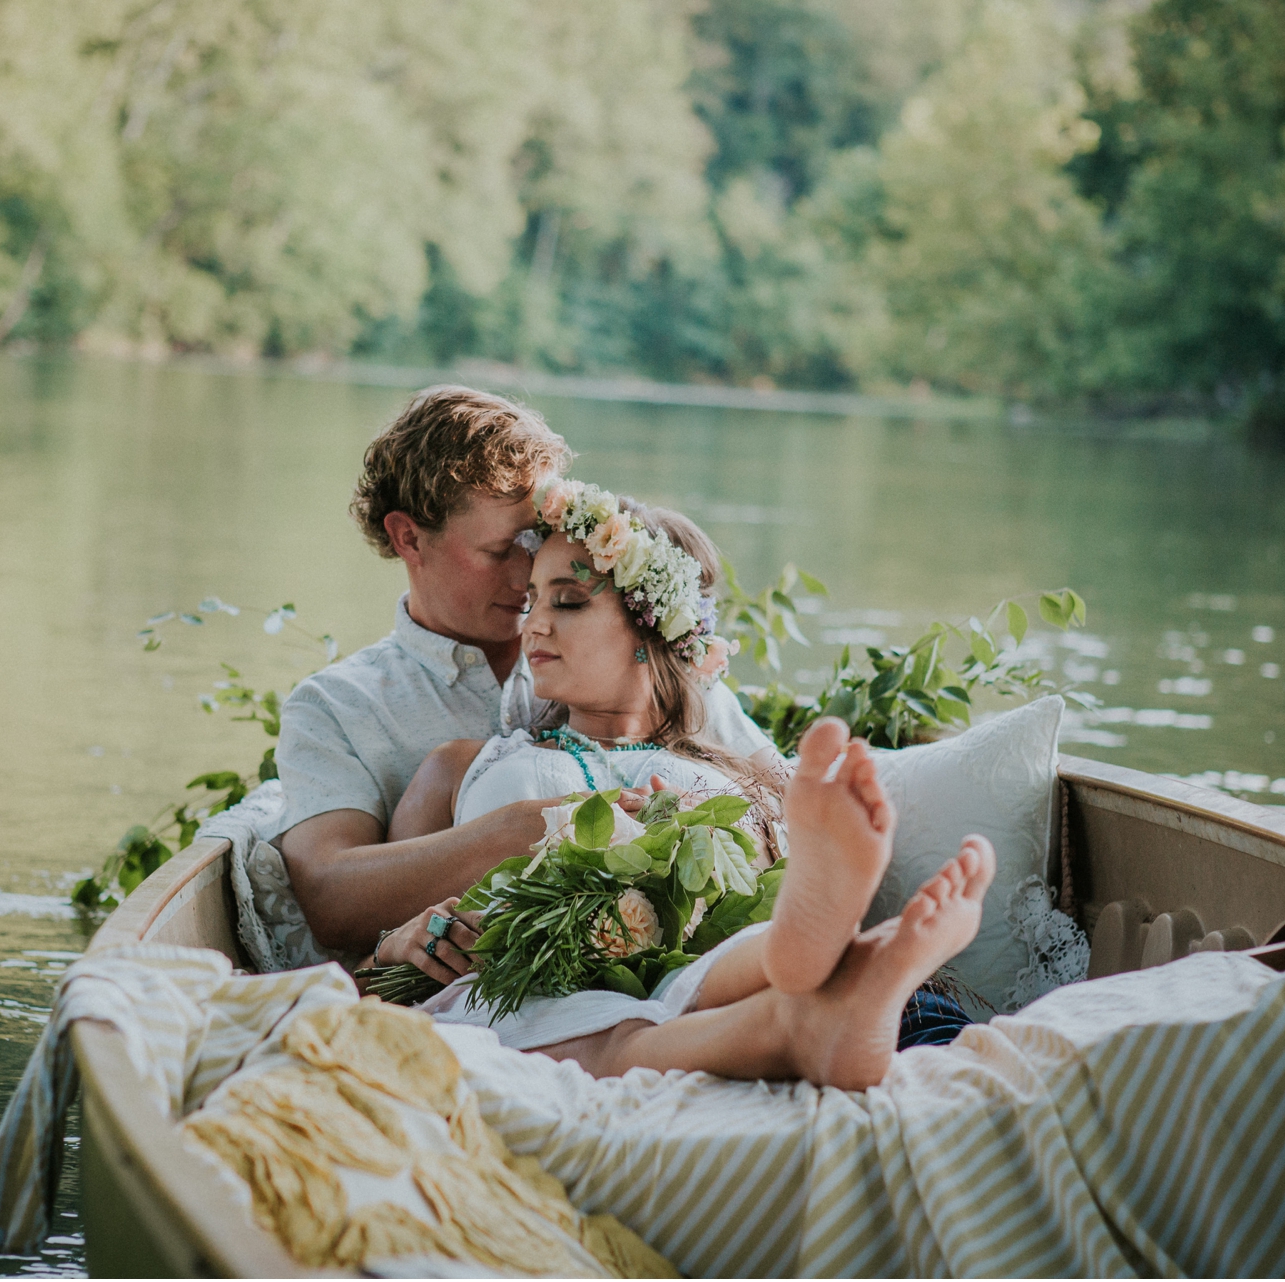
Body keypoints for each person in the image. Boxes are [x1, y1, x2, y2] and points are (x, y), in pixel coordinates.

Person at [365, 483, 991, 1089]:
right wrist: (401, 943)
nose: (533, 626)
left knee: (719, 965)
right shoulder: (461, 766)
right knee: (613, 1032)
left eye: (569, 601)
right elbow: (364, 965)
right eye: (533, 600)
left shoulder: (725, 774)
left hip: (696, 976)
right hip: (519, 987)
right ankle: (821, 1003)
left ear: (649, 632)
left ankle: (814, 961)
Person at [274, 387, 777, 955]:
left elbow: (779, 799)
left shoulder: (621, 659)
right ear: (408, 537)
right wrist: (515, 831)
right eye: (501, 549)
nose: (526, 573)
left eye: (537, 542)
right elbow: (330, 901)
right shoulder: (339, 705)